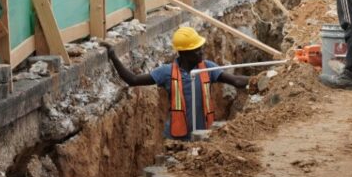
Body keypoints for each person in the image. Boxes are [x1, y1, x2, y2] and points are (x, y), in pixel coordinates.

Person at [103, 27, 248, 140]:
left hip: (203, 134)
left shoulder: (208, 67)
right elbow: (133, 80)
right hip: (177, 138)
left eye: (201, 48)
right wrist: (113, 57)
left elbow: (235, 80)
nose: (201, 52)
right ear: (184, 53)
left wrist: (262, 78)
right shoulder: (167, 72)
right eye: (196, 50)